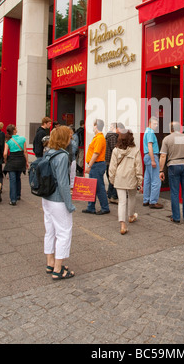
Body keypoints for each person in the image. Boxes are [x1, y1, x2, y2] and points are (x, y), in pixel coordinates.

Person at [42, 125, 75, 280]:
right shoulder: (62, 156)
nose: (70, 138)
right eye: (68, 136)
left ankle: (50, 262)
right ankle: (58, 268)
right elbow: (63, 183)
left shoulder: (48, 153)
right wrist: (69, 204)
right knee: (63, 232)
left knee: (50, 231)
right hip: (58, 200)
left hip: (46, 198)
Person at [159, 122, 184, 223]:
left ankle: (176, 217)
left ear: (170, 129)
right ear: (179, 128)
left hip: (173, 165)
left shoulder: (167, 139)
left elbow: (163, 156)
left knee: (174, 193)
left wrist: (161, 170)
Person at [109, 130, 143, 235]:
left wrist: (112, 179)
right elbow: (138, 167)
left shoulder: (115, 150)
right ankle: (131, 216)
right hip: (131, 178)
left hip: (119, 178)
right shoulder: (135, 150)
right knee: (132, 198)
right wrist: (139, 181)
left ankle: (123, 224)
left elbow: (112, 167)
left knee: (122, 201)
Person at [82, 119, 110, 215]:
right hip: (96, 165)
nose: (93, 127)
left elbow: (96, 153)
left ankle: (105, 207)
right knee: (92, 187)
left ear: (96, 126)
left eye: (93, 125)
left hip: (96, 165)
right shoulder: (98, 137)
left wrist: (89, 166)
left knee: (99, 187)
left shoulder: (99, 138)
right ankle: (91, 207)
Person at [3, 125, 29, 206]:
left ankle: (13, 199)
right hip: (21, 160)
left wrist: (5, 160)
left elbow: (5, 153)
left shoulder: (8, 140)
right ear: (14, 130)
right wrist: (27, 161)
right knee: (18, 178)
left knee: (12, 180)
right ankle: (18, 195)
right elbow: (25, 151)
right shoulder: (22, 139)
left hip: (12, 160)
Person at [143, 117, 163, 209]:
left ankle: (146, 200)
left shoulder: (146, 132)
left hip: (147, 156)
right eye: (155, 123)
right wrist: (153, 160)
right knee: (156, 180)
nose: (156, 125)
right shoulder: (150, 132)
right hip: (152, 156)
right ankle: (153, 201)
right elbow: (150, 146)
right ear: (150, 123)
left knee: (147, 180)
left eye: (157, 123)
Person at [105, 122, 119, 204]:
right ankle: (113, 196)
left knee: (111, 179)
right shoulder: (113, 137)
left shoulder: (108, 136)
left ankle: (110, 195)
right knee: (114, 179)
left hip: (107, 161)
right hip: (111, 161)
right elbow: (115, 150)